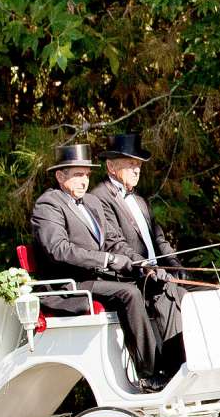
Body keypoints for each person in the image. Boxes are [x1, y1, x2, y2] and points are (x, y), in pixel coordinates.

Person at [27, 141, 170, 392]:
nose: (84, 180)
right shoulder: (48, 205)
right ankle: (150, 373)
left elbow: (113, 243)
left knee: (148, 284)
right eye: (78, 175)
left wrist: (140, 264)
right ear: (61, 176)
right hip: (69, 285)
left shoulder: (92, 203)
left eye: (87, 175)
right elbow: (58, 249)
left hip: (97, 279)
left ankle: (172, 362)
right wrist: (106, 261)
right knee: (129, 294)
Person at [90, 132, 186, 377]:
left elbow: (159, 239)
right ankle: (166, 371)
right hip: (131, 275)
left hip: (156, 273)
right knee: (170, 295)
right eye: (130, 164)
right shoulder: (99, 198)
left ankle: (187, 363)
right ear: (111, 167)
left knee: (191, 293)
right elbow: (114, 243)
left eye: (138, 165)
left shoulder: (140, 201)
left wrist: (175, 264)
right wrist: (146, 266)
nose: (137, 170)